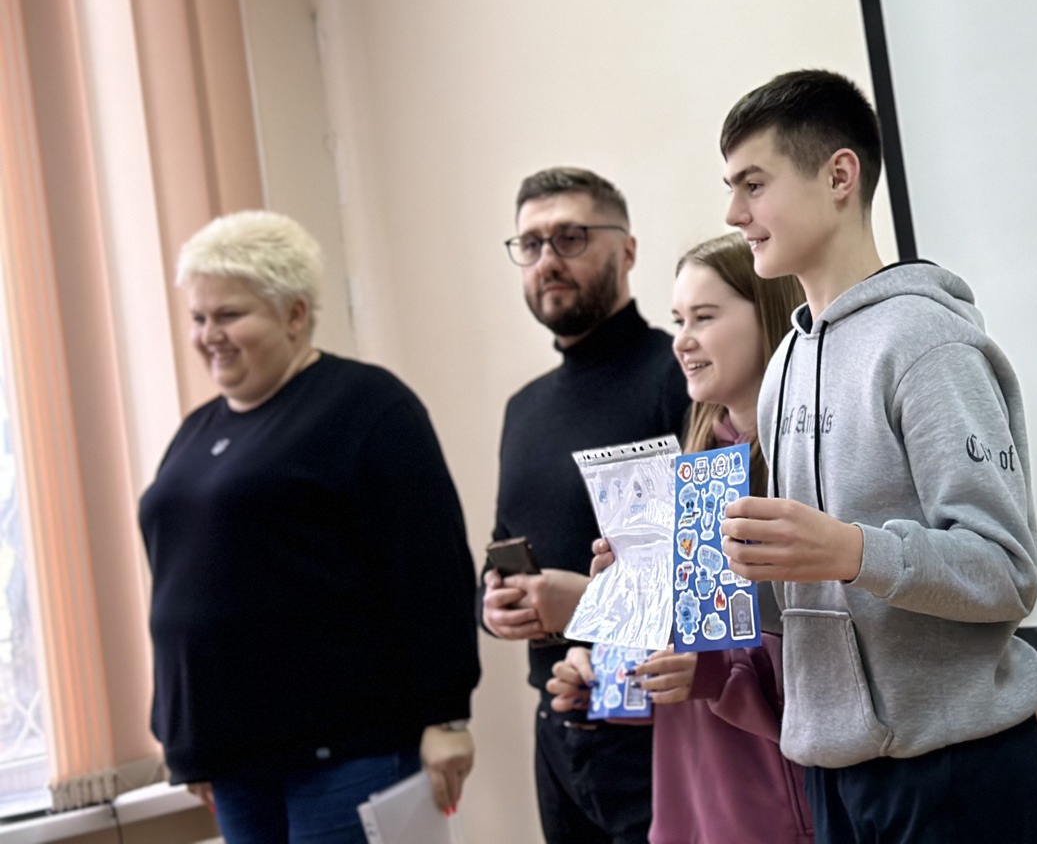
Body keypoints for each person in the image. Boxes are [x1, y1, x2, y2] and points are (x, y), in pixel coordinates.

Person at [713, 70, 1037, 844]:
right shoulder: (785, 363)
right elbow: (796, 592)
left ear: (840, 176)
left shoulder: (926, 343)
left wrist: (851, 551)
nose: (734, 214)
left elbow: (1006, 570)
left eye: (754, 185)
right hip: (833, 770)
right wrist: (678, 574)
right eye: (731, 189)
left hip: (952, 767)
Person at [138, 211, 478, 843]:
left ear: (294, 313)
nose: (209, 335)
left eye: (229, 314)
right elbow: (178, 587)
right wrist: (185, 737)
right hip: (236, 764)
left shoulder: (368, 407)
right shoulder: (195, 434)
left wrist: (446, 715)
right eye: (198, 318)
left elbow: (430, 568)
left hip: (349, 753)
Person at [546, 231, 813, 844]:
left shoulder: (806, 467)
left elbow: (823, 667)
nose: (682, 340)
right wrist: (608, 672)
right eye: (678, 320)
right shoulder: (689, 471)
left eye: (705, 317)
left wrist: (711, 673)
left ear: (768, 314)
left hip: (778, 812)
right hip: (691, 810)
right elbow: (681, 664)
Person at [484, 167, 691, 844]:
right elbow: (503, 547)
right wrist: (495, 604)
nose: (547, 259)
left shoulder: (680, 376)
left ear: (627, 250)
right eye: (531, 244)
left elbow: (717, 577)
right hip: (558, 724)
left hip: (661, 726)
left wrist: (587, 605)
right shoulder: (523, 409)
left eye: (570, 237)